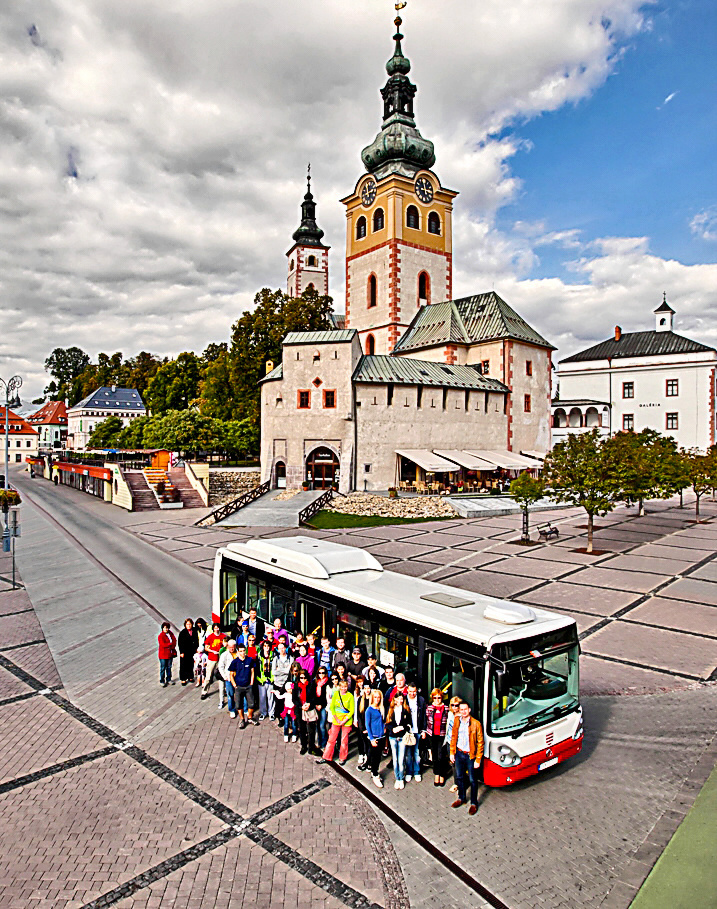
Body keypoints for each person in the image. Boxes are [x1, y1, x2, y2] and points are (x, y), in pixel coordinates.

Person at [449, 701, 484, 815]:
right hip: (459, 753)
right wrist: (452, 752)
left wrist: (478, 759)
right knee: (459, 777)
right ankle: (461, 798)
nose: (463, 711)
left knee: (473, 780)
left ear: (469, 710)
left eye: (465, 709)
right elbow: (454, 737)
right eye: (461, 709)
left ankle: (474, 803)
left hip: (470, 755)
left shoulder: (476, 724)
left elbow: (480, 742)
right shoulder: (457, 721)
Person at [317, 678, 354, 766]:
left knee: (344, 741)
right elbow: (332, 707)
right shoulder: (336, 694)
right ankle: (326, 756)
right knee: (331, 739)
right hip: (336, 720)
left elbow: (352, 710)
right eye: (342, 687)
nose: (344, 688)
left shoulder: (350, 696)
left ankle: (342, 757)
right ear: (340, 687)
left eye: (345, 687)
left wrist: (344, 720)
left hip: (346, 721)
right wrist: (336, 718)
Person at [229, 644, 259, 728]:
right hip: (239, 686)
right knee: (239, 704)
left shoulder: (249, 660)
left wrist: (251, 683)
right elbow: (231, 675)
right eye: (241, 651)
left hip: (248, 686)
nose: (242, 653)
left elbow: (252, 672)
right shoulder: (235, 662)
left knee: (251, 704)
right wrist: (235, 685)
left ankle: (250, 718)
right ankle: (242, 719)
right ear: (238, 652)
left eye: (244, 651)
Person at [385, 692, 411, 790]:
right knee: (395, 759)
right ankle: (397, 778)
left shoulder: (406, 709)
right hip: (393, 737)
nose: (399, 701)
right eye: (398, 699)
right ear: (394, 699)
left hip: (402, 737)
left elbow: (409, 723)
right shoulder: (390, 709)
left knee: (401, 759)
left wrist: (402, 727)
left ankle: (401, 778)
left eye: (401, 699)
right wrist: (392, 729)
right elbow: (387, 722)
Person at [425, 688, 449, 786]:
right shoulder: (429, 708)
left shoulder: (446, 708)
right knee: (435, 756)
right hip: (432, 734)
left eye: (439, 697)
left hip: (442, 734)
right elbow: (427, 720)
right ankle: (437, 774)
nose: (437, 699)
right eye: (435, 698)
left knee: (441, 755)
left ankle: (442, 774)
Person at [405, 683, 426, 782]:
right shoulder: (404, 700)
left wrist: (423, 730)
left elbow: (424, 716)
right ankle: (409, 772)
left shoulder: (421, 700)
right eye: (410, 691)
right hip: (408, 731)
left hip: (417, 730)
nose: (412, 693)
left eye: (414, 691)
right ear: (407, 691)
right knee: (409, 754)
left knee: (417, 753)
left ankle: (417, 772)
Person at [365, 689, 386, 788]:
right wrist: (372, 739)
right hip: (374, 737)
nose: (377, 699)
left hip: (381, 736)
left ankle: (375, 771)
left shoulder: (381, 708)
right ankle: (375, 774)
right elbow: (367, 725)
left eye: (378, 697)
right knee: (375, 757)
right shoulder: (369, 710)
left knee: (378, 756)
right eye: (375, 697)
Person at [201, 623, 226, 699]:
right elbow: (206, 648)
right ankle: (204, 691)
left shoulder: (223, 636)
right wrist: (212, 651)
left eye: (218, 628)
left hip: (220, 659)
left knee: (222, 675)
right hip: (212, 659)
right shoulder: (210, 637)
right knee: (208, 676)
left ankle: (224, 690)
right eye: (215, 628)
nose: (217, 629)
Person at [297, 669, 318, 755]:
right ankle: (304, 746)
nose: (303, 679)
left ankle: (311, 747)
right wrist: (301, 706)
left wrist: (309, 704)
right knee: (302, 729)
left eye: (305, 677)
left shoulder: (311, 685)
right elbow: (295, 698)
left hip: (309, 709)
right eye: (301, 678)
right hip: (300, 709)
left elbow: (314, 696)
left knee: (311, 730)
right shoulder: (296, 685)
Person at [271, 640, 293, 724]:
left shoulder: (290, 658)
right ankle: (280, 717)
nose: (281, 650)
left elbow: (290, 671)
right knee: (279, 702)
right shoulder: (275, 659)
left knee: (288, 702)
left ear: (285, 648)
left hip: (287, 684)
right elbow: (274, 672)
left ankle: (288, 718)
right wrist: (285, 670)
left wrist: (279, 669)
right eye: (279, 648)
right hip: (277, 683)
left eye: (283, 648)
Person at [353, 677, 372, 771]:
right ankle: (366, 759)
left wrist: (369, 728)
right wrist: (361, 727)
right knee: (364, 742)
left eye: (369, 688)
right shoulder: (360, 699)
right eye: (365, 688)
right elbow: (359, 714)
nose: (367, 690)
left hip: (371, 726)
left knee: (370, 744)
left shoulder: (373, 699)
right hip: (363, 725)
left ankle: (369, 763)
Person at [444, 697, 462, 792]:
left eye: (457, 705)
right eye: (453, 705)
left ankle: (458, 784)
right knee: (453, 764)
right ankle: (457, 782)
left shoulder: (462, 717)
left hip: (457, 744)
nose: (454, 707)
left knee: (458, 764)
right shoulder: (450, 714)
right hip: (449, 742)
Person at [217, 639, 238, 717]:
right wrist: (224, 676)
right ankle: (232, 709)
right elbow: (221, 666)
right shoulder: (224, 655)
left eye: (233, 647)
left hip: (238, 677)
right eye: (230, 647)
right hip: (229, 677)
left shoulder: (238, 653)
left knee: (239, 694)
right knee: (230, 694)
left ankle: (241, 708)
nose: (231, 649)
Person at [256, 640, 275, 719]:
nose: (266, 648)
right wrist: (259, 679)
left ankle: (271, 713)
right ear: (262, 647)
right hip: (262, 680)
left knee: (271, 698)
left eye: (268, 646)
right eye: (265, 646)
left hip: (271, 680)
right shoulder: (259, 656)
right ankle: (263, 712)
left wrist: (273, 679)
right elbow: (256, 668)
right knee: (262, 697)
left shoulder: (273, 655)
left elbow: (275, 668)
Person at [177, 618, 198, 686]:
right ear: (185, 625)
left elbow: (196, 640)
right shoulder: (183, 633)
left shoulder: (194, 631)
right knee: (183, 665)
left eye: (190, 624)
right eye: (187, 624)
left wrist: (196, 648)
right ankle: (183, 679)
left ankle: (190, 676)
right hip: (185, 651)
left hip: (192, 651)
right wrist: (181, 652)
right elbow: (180, 643)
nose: (189, 625)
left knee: (190, 664)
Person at [314, 666, 330, 749]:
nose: (321, 674)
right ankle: (319, 742)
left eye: (323, 672)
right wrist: (316, 704)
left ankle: (324, 743)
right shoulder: (315, 682)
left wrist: (321, 705)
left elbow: (326, 697)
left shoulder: (328, 682)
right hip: (316, 706)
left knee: (322, 725)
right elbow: (314, 695)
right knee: (317, 726)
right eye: (319, 673)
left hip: (323, 706)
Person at [157, 622, 177, 687]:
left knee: (169, 667)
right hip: (163, 655)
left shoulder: (170, 634)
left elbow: (174, 640)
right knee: (163, 668)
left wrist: (171, 645)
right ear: (162, 628)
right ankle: (162, 680)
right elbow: (163, 644)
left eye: (167, 628)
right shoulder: (161, 636)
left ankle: (169, 679)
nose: (166, 629)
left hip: (169, 654)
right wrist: (170, 644)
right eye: (164, 628)